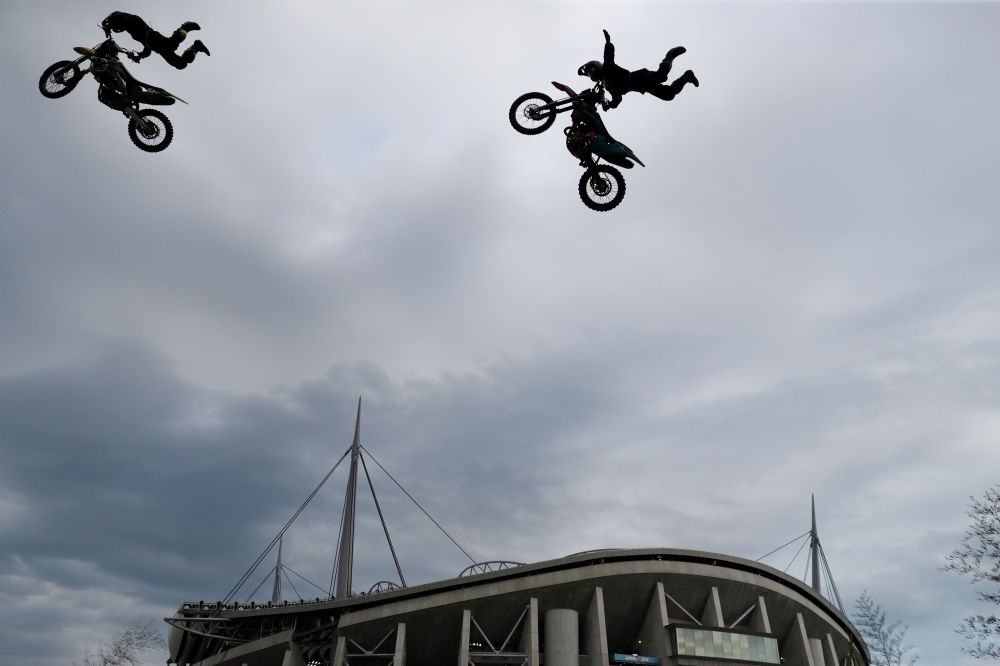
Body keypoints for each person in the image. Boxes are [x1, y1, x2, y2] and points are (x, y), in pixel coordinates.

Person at [579, 30, 698, 109]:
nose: (591, 74)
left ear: (596, 66)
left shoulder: (607, 68)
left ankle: (670, 55)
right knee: (669, 95)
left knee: (662, 77)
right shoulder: (607, 85)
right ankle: (687, 76)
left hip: (638, 77)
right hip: (640, 86)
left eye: (591, 71)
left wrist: (608, 43)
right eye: (589, 73)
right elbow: (618, 98)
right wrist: (609, 105)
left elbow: (608, 56)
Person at [101, 11, 210, 69]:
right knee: (180, 64)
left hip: (154, 38)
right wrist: (139, 56)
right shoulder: (131, 30)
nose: (116, 28)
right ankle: (196, 47)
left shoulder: (131, 19)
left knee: (172, 45)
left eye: (114, 25)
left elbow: (122, 19)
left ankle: (185, 27)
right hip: (155, 46)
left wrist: (110, 25)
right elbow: (147, 49)